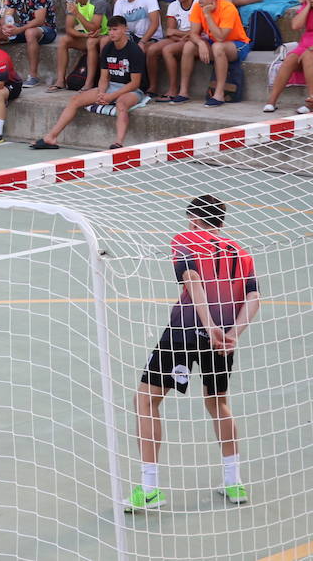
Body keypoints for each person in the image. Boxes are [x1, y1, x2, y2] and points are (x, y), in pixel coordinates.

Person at [125, 194, 259, 511]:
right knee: (219, 403)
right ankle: (233, 482)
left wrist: (208, 323)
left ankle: (149, 489)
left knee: (145, 399)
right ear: (221, 221)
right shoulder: (241, 252)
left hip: (184, 332)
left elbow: (192, 280)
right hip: (222, 340)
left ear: (194, 219)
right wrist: (232, 333)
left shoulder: (185, 239)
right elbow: (254, 296)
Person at [31, 14, 146, 150]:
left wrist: (111, 97)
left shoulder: (134, 51)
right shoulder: (108, 48)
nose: (112, 33)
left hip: (131, 90)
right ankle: (51, 137)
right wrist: (102, 93)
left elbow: (135, 83)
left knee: (121, 104)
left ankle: (118, 143)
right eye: (110, 30)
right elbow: (104, 77)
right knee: (75, 100)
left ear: (124, 29)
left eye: (115, 29)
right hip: (111, 86)